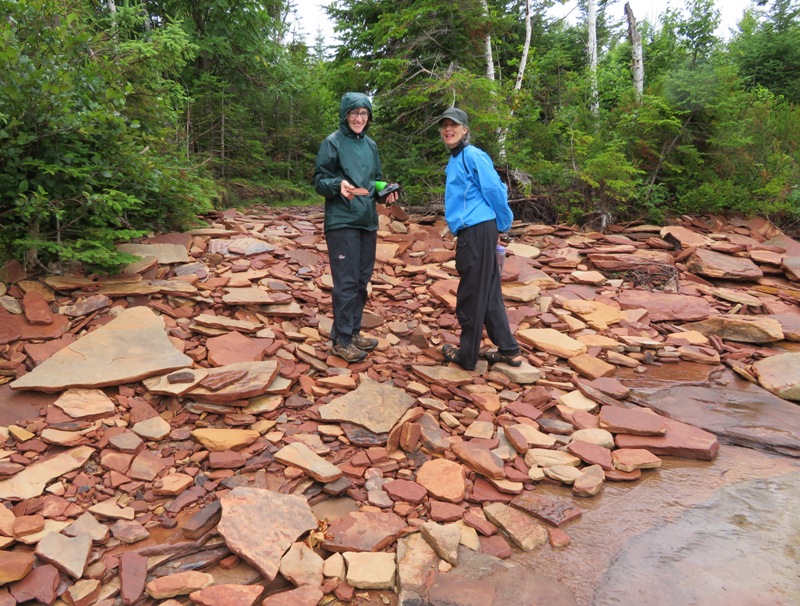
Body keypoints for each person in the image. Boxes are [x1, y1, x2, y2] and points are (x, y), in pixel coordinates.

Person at [313, 92, 398, 363]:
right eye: (354, 113)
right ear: (345, 114)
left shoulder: (371, 145)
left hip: (367, 221)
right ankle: (343, 340)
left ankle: (352, 330)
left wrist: (385, 190)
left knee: (361, 280)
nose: (359, 118)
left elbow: (375, 180)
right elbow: (319, 180)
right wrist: (337, 185)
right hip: (341, 221)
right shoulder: (332, 142)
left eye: (364, 114)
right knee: (346, 281)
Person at [437, 107, 522, 371]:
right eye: (444, 126)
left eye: (454, 125)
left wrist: (504, 223)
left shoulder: (472, 155)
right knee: (488, 292)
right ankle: (509, 350)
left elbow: (495, 189)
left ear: (465, 130)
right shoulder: (456, 160)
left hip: (477, 233)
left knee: (471, 294)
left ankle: (467, 356)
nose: (448, 129)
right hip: (475, 231)